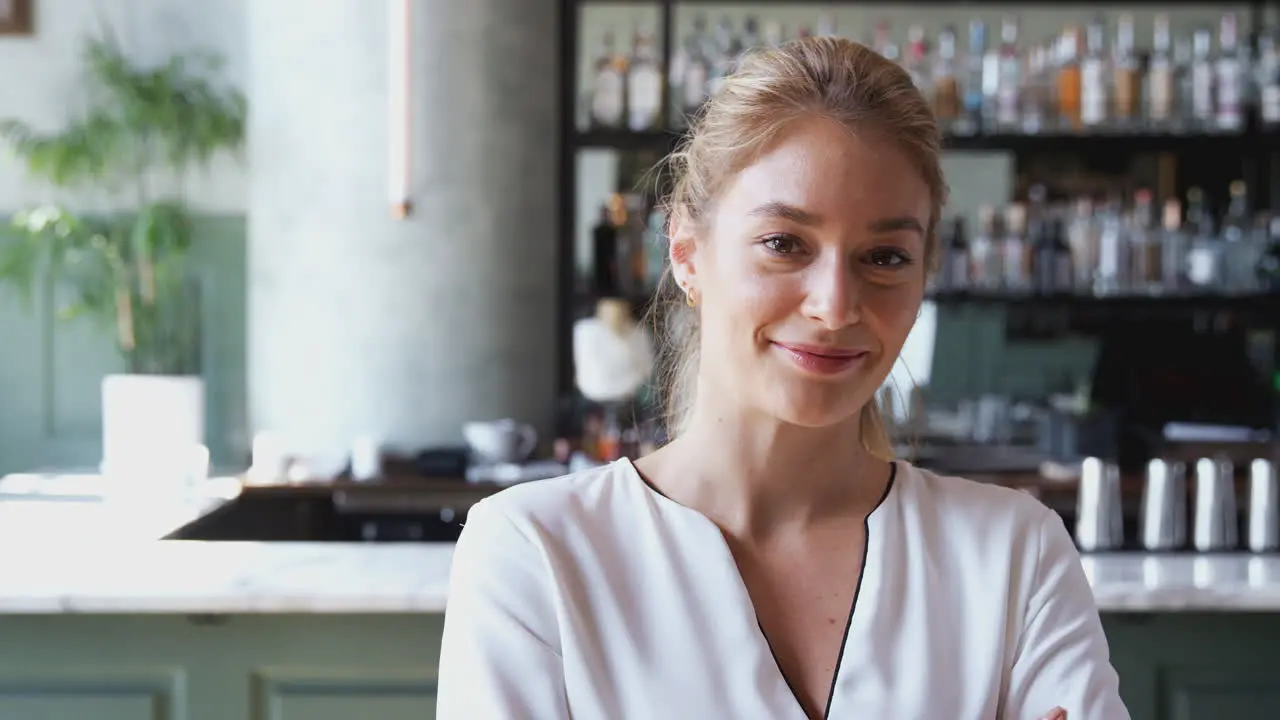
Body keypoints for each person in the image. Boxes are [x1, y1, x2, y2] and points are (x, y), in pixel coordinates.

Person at [437, 37, 1129, 720]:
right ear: (686, 251)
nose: (834, 305)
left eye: (884, 256)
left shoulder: (1015, 555)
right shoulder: (534, 555)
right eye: (783, 244)